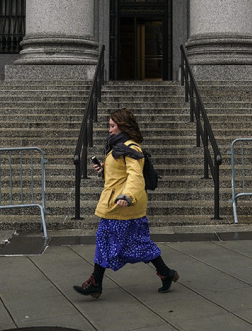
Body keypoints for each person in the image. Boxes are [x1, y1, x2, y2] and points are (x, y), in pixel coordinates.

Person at [73, 108, 179, 299]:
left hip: (122, 204)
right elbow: (120, 174)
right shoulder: (118, 146)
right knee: (132, 242)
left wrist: (127, 196)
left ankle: (96, 283)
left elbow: (135, 176)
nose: (110, 130)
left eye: (113, 126)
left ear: (122, 126)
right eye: (109, 126)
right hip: (116, 203)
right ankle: (166, 272)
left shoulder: (131, 148)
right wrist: (103, 170)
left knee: (108, 240)